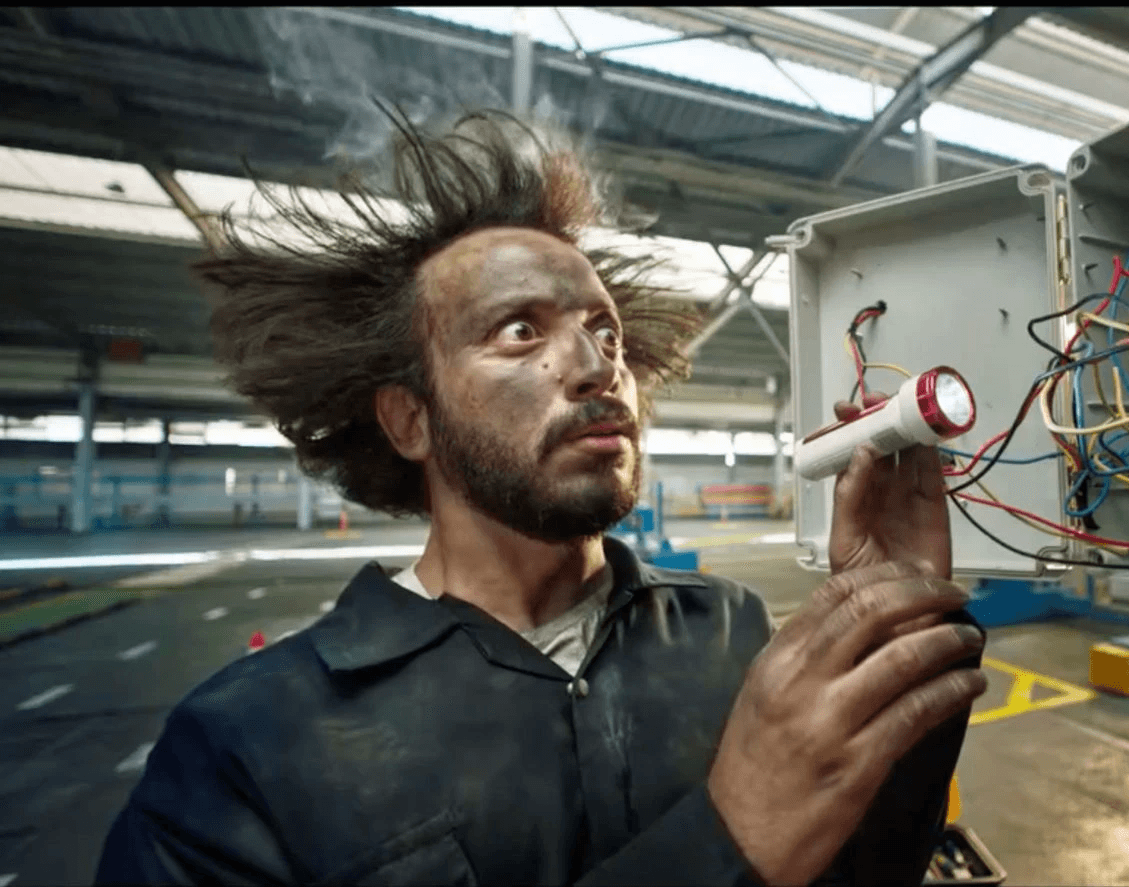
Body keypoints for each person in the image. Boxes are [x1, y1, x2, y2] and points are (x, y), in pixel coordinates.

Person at [94, 108, 985, 886]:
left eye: (607, 331)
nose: (600, 366)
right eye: (521, 332)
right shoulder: (245, 745)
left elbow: (862, 871)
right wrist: (726, 842)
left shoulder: (731, 631)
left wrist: (905, 633)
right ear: (410, 421)